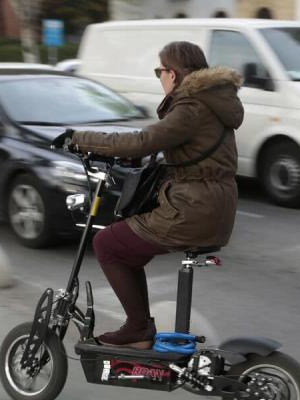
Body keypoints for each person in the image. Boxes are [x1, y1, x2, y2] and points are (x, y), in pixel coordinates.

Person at [52, 41, 244, 349]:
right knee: (128, 247)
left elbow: (144, 140)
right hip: (215, 206)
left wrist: (79, 139)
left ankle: (139, 327)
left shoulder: (191, 107)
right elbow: (184, 151)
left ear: (174, 73)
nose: (159, 78)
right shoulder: (213, 103)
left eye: (160, 71)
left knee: (107, 244)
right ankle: (139, 327)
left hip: (193, 209)